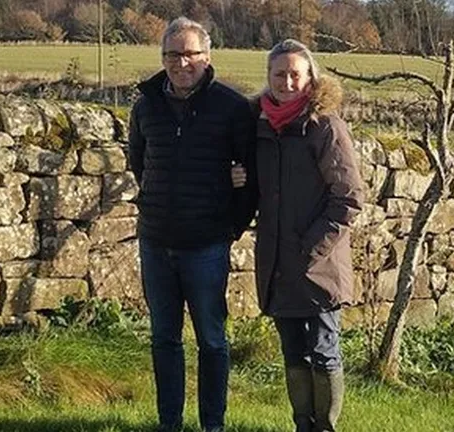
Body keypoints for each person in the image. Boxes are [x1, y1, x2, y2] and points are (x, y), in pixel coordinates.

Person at [128, 16, 256, 432]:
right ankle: (170, 423)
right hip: (156, 240)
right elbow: (139, 162)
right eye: (172, 54)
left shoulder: (232, 107)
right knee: (164, 339)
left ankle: (212, 425)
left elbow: (249, 177)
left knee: (212, 340)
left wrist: (229, 229)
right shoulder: (146, 105)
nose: (181, 62)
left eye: (190, 54)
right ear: (162, 58)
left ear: (207, 57)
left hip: (206, 244)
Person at [233, 39, 364, 432]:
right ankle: (301, 426)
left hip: (318, 264)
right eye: (279, 74)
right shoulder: (259, 127)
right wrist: (237, 180)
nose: (287, 81)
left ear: (310, 78)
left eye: (295, 74)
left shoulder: (325, 126)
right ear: (268, 78)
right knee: (293, 354)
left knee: (324, 353)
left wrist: (310, 249)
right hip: (277, 263)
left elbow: (348, 199)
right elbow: (256, 191)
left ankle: (325, 427)